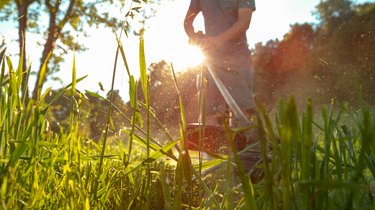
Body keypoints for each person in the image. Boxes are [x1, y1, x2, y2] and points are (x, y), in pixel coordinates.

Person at [184, 0, 260, 175]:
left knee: (243, 108)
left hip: (237, 56)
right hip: (211, 57)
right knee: (210, 110)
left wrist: (218, 40)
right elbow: (188, 21)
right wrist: (194, 35)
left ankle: (248, 163)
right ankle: (211, 166)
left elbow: (244, 22)